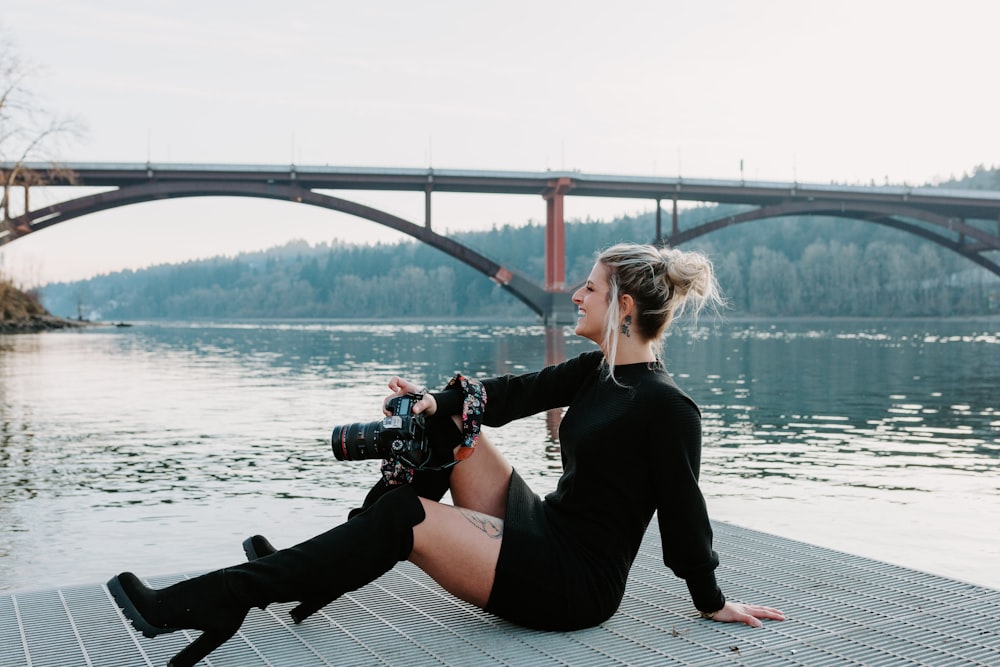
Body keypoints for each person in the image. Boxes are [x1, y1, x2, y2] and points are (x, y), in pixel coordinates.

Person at [107, 242, 785, 667]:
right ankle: (321, 569)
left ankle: (220, 597)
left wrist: (712, 598)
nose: (575, 294)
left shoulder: (667, 407)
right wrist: (435, 402)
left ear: (625, 307)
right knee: (453, 419)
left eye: (591, 287)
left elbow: (684, 514)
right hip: (545, 525)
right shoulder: (594, 372)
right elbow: (505, 395)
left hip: (575, 580)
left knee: (405, 515)